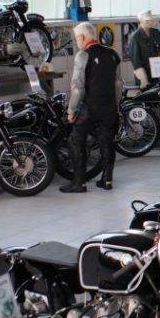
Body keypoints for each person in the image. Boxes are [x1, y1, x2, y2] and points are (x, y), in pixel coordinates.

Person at [62, 22, 122, 193]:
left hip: (90, 107)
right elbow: (118, 83)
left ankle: (79, 183)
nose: (76, 41)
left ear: (82, 37)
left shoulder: (83, 55)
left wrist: (71, 111)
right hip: (109, 106)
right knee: (107, 141)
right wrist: (116, 105)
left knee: (75, 140)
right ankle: (107, 180)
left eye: (76, 38)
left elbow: (78, 88)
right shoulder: (113, 53)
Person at [127, 10, 160, 87]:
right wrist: (143, 78)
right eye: (147, 21)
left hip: (158, 72)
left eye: (151, 20)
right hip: (144, 75)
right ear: (141, 20)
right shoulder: (135, 37)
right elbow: (135, 61)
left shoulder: (156, 32)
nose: (150, 22)